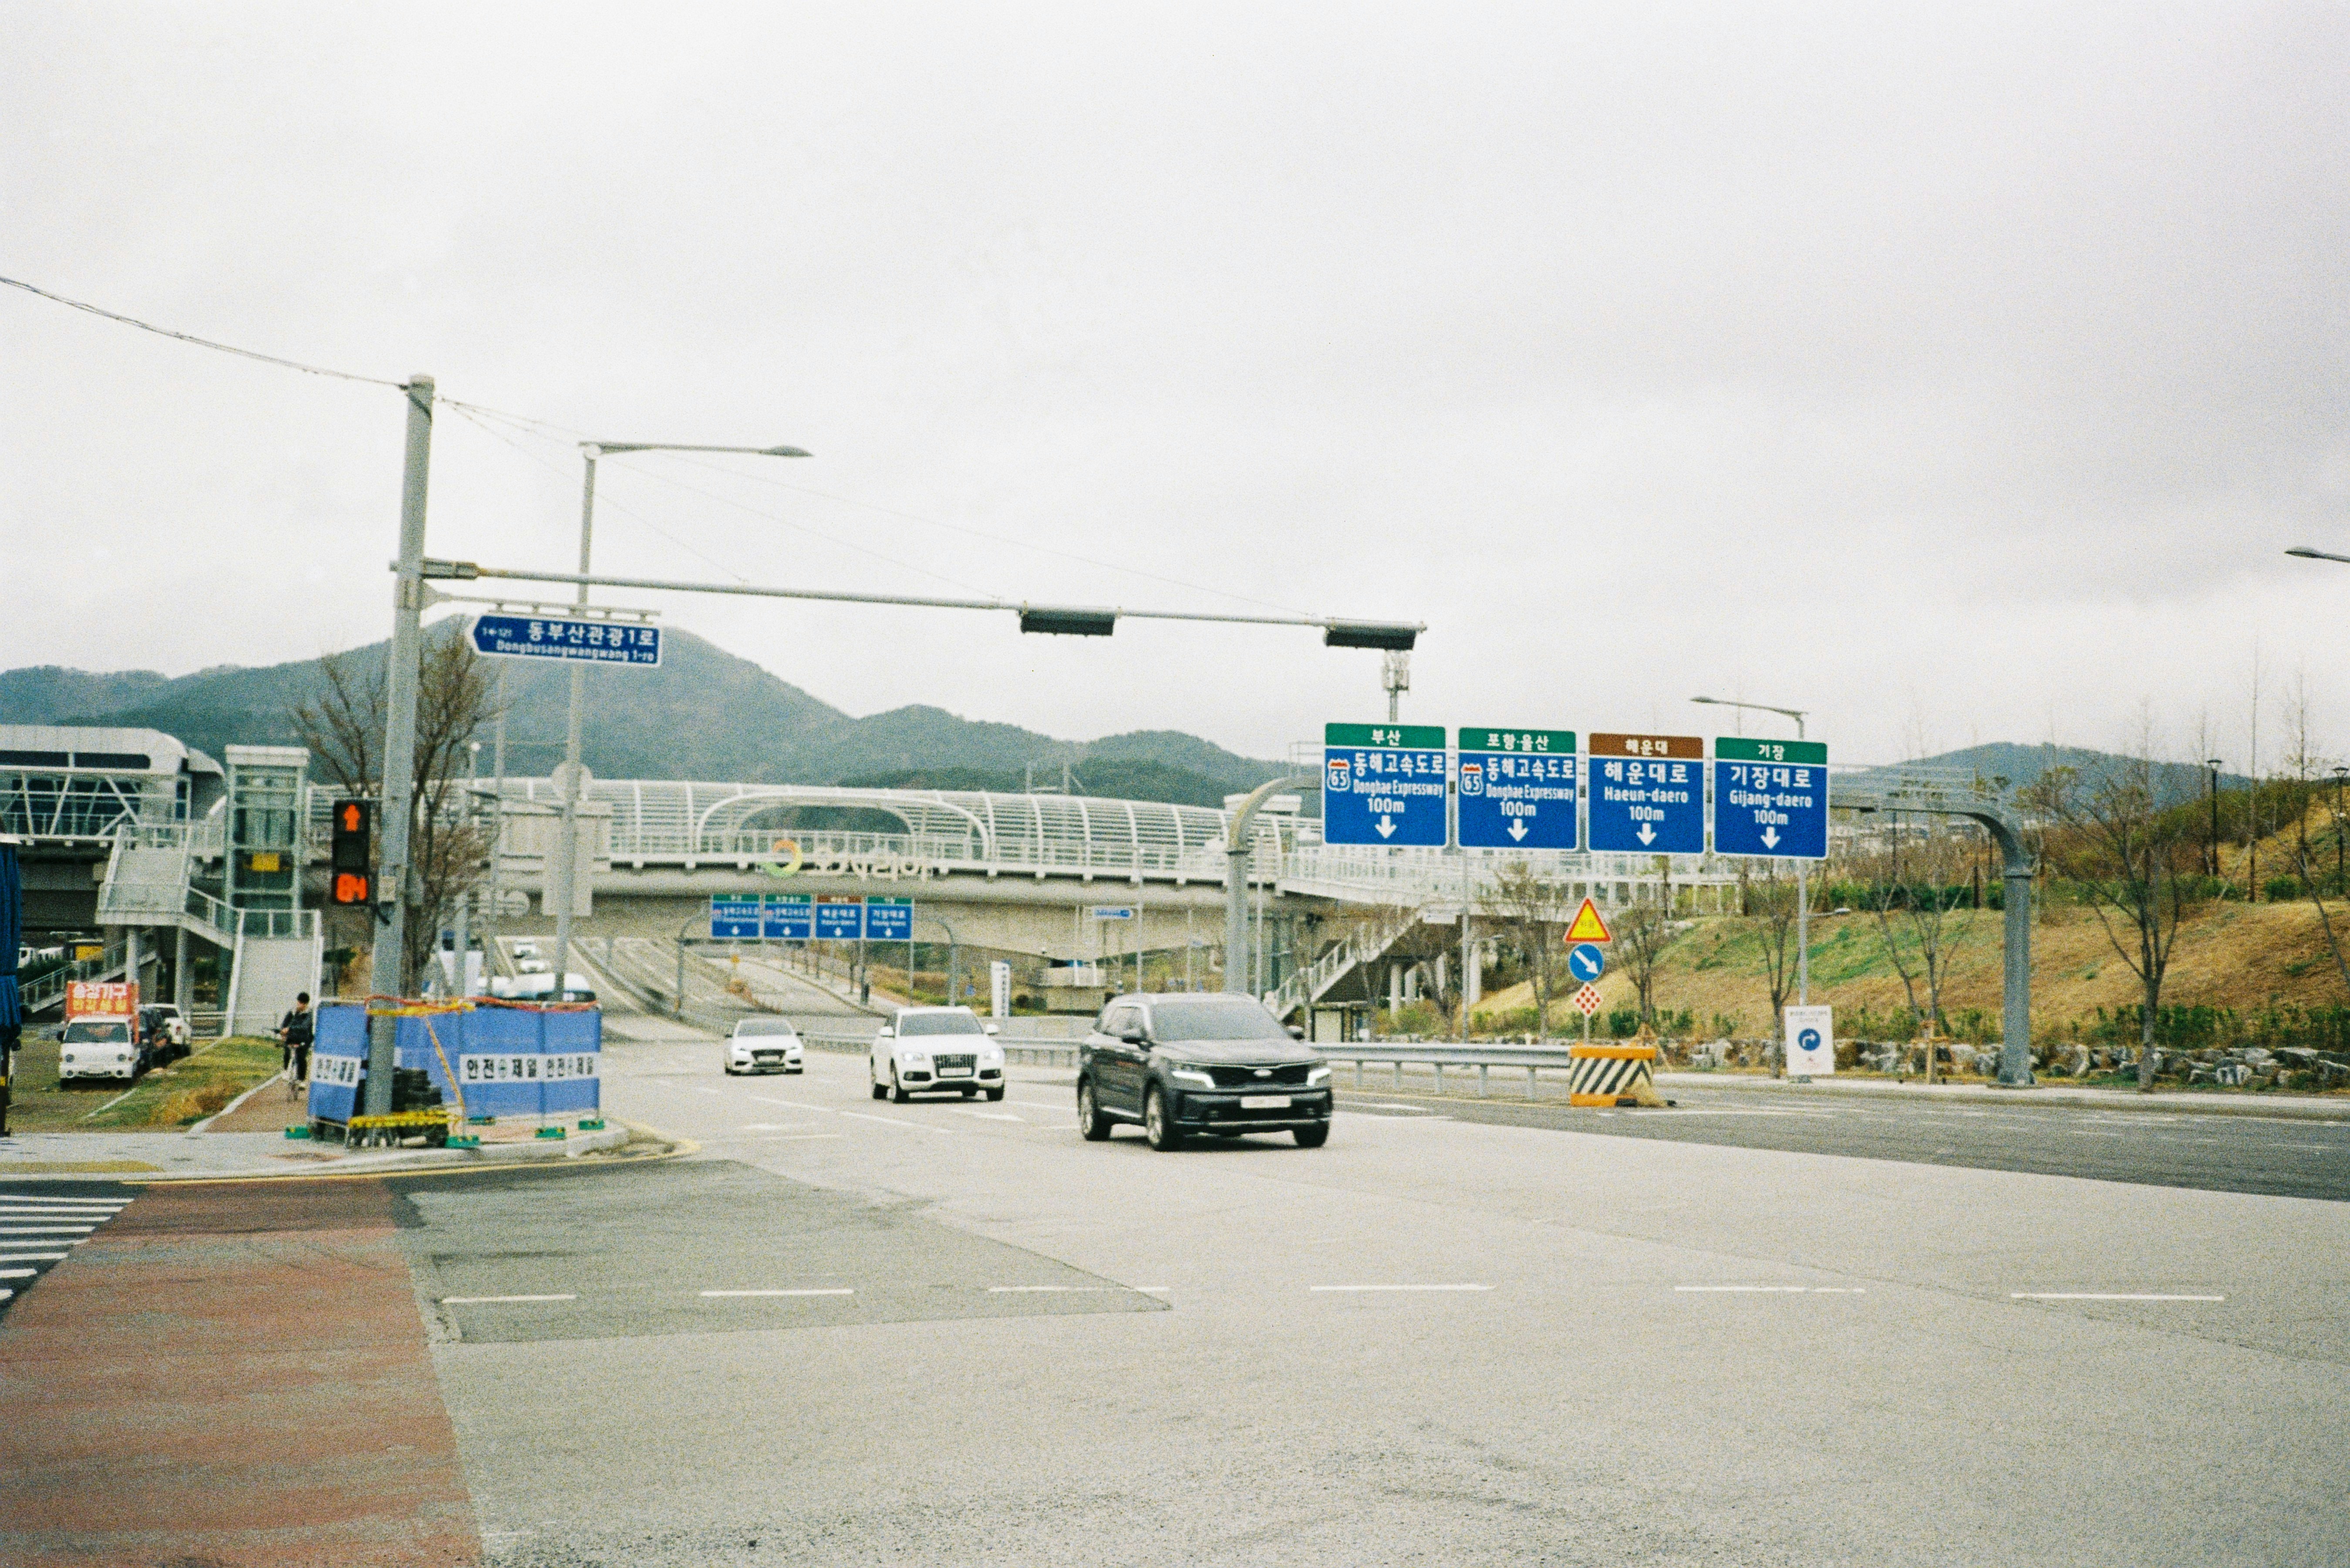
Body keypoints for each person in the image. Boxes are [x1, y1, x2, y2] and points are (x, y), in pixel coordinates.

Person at [278, 992, 314, 1091]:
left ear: (306, 1004)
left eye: (303, 1004)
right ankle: (286, 1070)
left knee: (301, 1057)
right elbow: (284, 1024)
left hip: (305, 1038)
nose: (300, 1005)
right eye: (299, 1003)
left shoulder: (310, 1014)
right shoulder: (292, 1012)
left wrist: (290, 1029)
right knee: (287, 1051)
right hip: (292, 1037)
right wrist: (283, 1032)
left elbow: (304, 1027)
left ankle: (302, 1080)